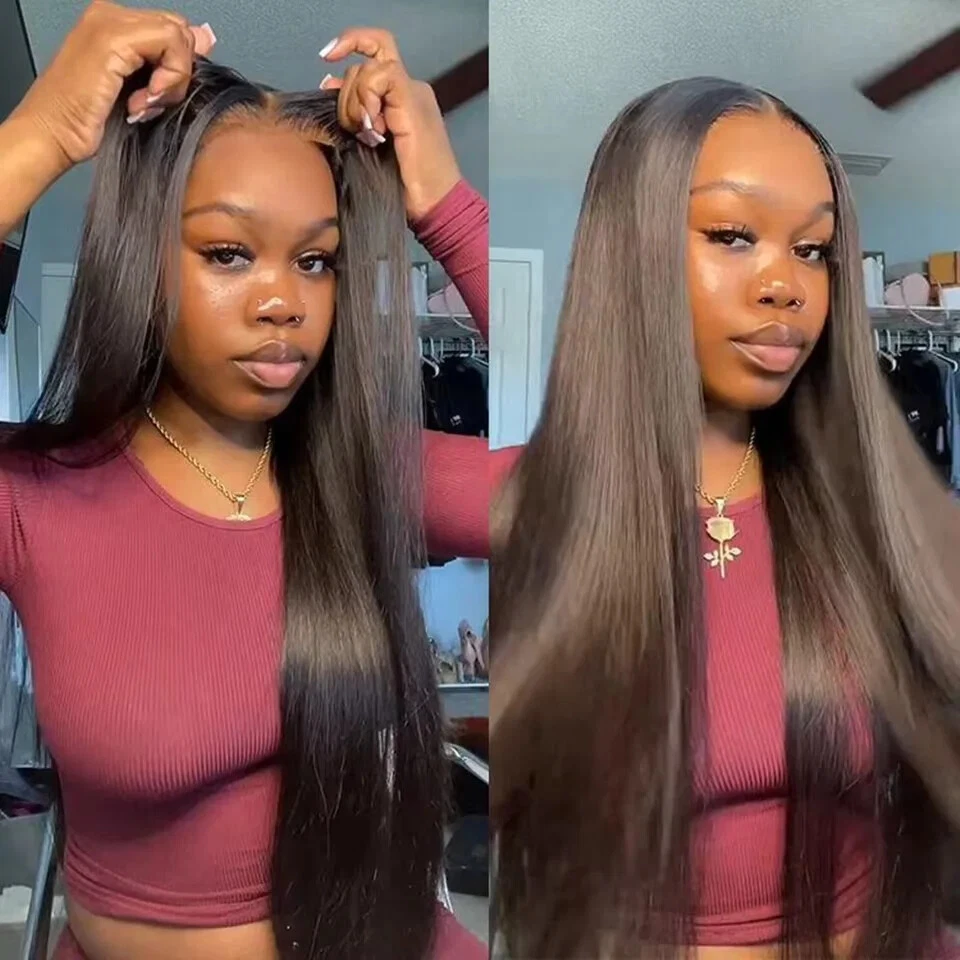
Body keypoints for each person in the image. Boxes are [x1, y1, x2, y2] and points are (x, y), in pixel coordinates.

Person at [0, 3, 489, 959]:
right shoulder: (37, 495)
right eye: (228, 252)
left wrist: (447, 207)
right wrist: (38, 136)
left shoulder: (372, 471)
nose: (282, 301)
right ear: (142, 259)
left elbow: (632, 472)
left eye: (316, 260)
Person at [490, 77, 960, 960]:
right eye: (733, 236)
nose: (786, 286)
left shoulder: (882, 522)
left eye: (813, 250)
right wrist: (439, 202)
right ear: (631, 252)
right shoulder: (529, 510)